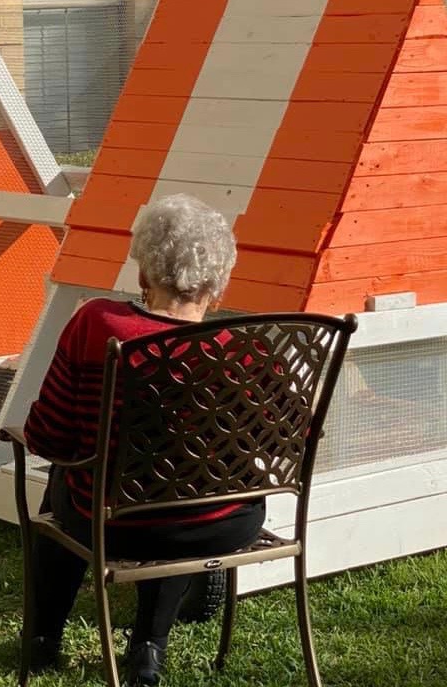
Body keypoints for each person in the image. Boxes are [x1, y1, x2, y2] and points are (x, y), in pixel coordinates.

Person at [21, 193, 266, 686]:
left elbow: (50, 435)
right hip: (217, 526)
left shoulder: (99, 324)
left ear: (143, 273)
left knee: (69, 475)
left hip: (113, 523)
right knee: (185, 485)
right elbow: (272, 442)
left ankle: (44, 638)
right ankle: (148, 648)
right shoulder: (248, 349)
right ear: (217, 287)